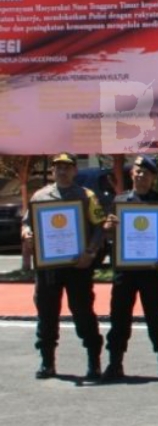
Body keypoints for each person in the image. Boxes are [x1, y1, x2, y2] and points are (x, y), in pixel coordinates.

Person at [21, 152, 106, 380]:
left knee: (83, 314)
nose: (62, 171)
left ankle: (94, 361)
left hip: (78, 266)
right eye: (58, 167)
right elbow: (27, 224)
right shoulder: (40, 197)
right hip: (48, 268)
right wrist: (27, 234)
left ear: (75, 171)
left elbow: (100, 227)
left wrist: (90, 252)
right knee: (47, 315)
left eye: (67, 167)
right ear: (52, 171)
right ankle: (47, 362)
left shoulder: (86, 196)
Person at [101, 154, 158, 381]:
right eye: (137, 170)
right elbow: (109, 230)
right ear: (131, 173)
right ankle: (115, 363)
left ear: (153, 177)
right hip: (125, 272)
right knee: (119, 318)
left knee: (157, 319)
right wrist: (108, 227)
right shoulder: (120, 201)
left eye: (146, 172)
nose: (141, 175)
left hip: (153, 271)